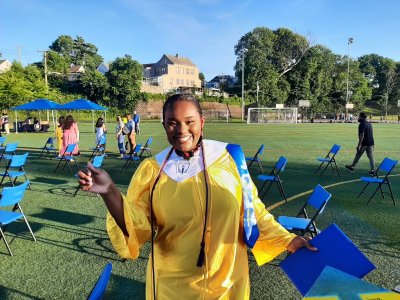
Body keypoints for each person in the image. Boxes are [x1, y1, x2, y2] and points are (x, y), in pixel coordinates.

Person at [77, 94, 316, 299]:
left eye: (189, 121)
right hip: (171, 286)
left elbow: (253, 211)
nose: (181, 130)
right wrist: (109, 192)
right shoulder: (153, 171)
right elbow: (136, 224)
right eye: (172, 123)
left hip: (227, 281)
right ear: (164, 125)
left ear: (202, 122)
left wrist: (287, 240)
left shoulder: (229, 158)